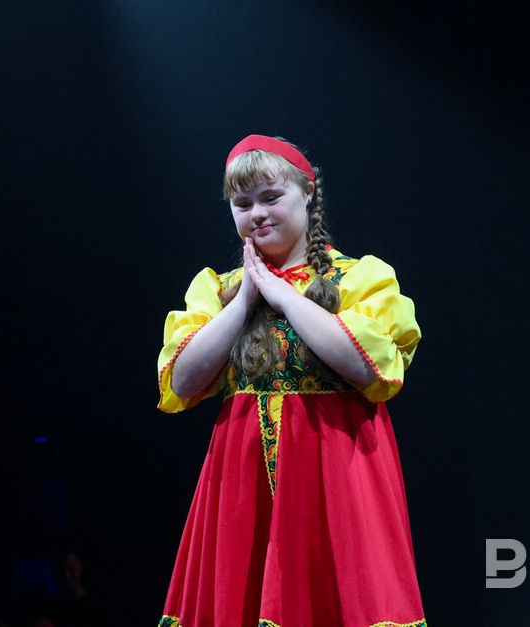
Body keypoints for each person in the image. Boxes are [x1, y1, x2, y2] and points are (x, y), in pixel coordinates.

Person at [156, 135, 426, 627]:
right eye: (243, 204)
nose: (257, 214)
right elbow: (185, 381)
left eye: (270, 197)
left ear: (307, 191)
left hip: (337, 473)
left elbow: (371, 366)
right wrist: (245, 299)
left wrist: (284, 296)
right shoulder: (218, 289)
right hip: (242, 482)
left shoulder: (358, 278)